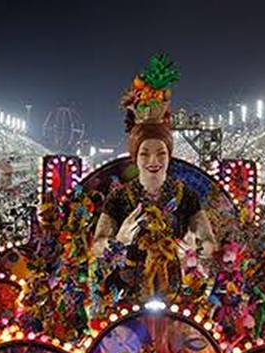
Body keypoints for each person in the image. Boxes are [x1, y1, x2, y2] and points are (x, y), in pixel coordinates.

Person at [91, 64, 216, 262]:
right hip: (130, 284)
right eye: (144, 154)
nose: (153, 161)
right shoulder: (119, 197)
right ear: (135, 157)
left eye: (161, 153)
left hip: (174, 283)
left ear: (169, 156)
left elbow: (209, 241)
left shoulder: (186, 196)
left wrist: (197, 246)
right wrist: (118, 240)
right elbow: (97, 245)